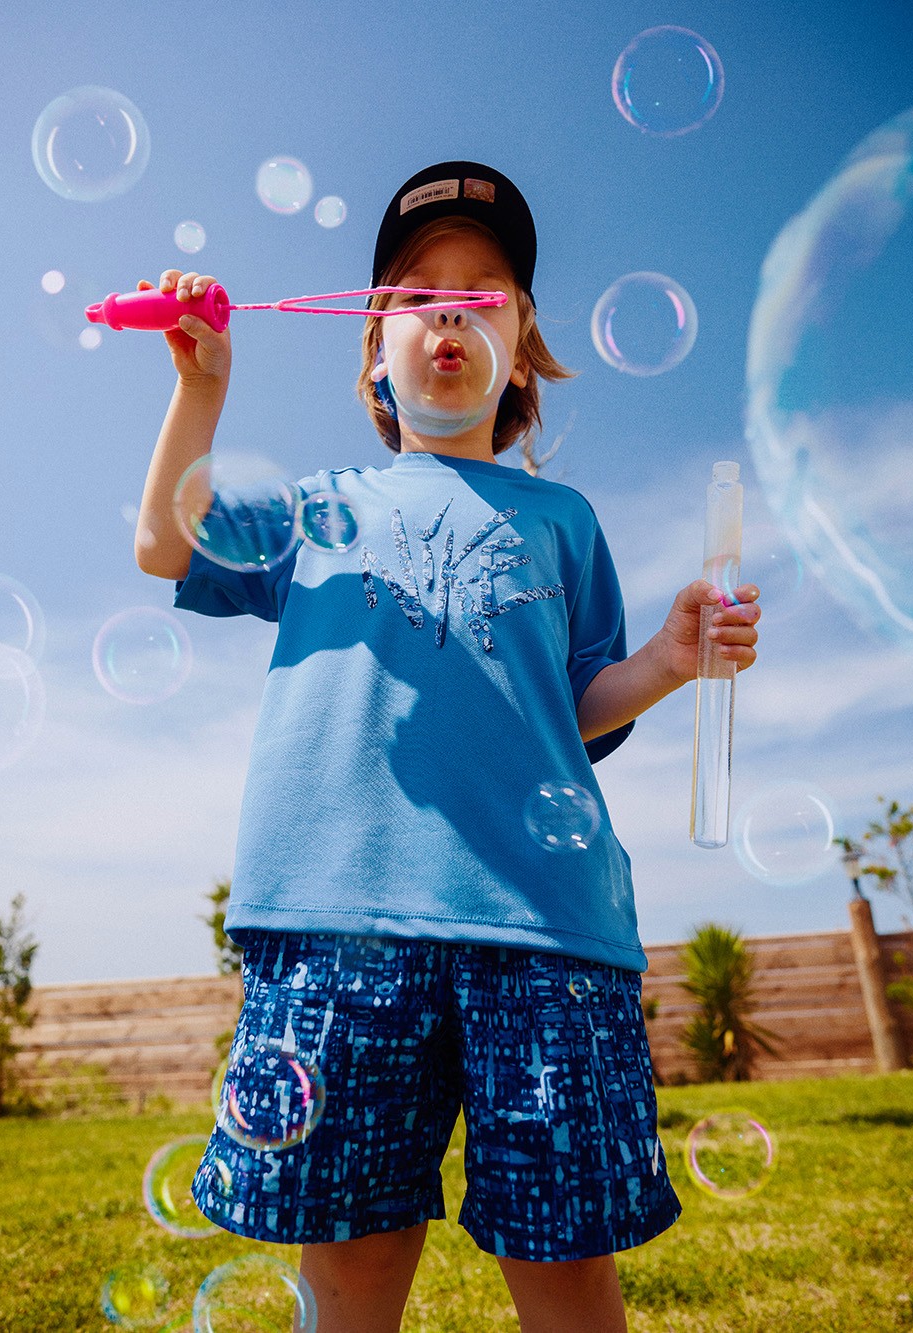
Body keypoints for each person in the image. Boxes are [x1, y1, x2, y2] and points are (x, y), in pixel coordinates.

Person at [134, 161, 761, 1333]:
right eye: (418, 294)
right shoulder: (318, 508)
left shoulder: (561, 520)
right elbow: (164, 545)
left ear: (520, 349)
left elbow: (572, 706)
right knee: (352, 1265)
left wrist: (670, 662)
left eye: (485, 294)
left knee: (567, 1260)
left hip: (543, 929)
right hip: (337, 919)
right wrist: (202, 391)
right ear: (373, 347)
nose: (450, 314)